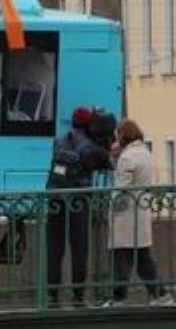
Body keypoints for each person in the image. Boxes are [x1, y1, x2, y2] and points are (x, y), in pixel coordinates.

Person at [45, 106, 112, 306]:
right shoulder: (91, 147)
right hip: (78, 202)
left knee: (55, 250)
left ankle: (52, 296)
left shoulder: (57, 141)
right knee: (79, 250)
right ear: (89, 125)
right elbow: (109, 164)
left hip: (55, 200)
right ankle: (78, 296)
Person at [107, 119, 172, 306]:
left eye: (117, 134)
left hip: (126, 215)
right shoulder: (145, 152)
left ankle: (118, 298)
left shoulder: (128, 157)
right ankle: (160, 294)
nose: (116, 138)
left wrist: (111, 207)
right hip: (141, 212)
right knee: (143, 258)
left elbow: (122, 187)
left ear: (123, 135)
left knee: (121, 258)